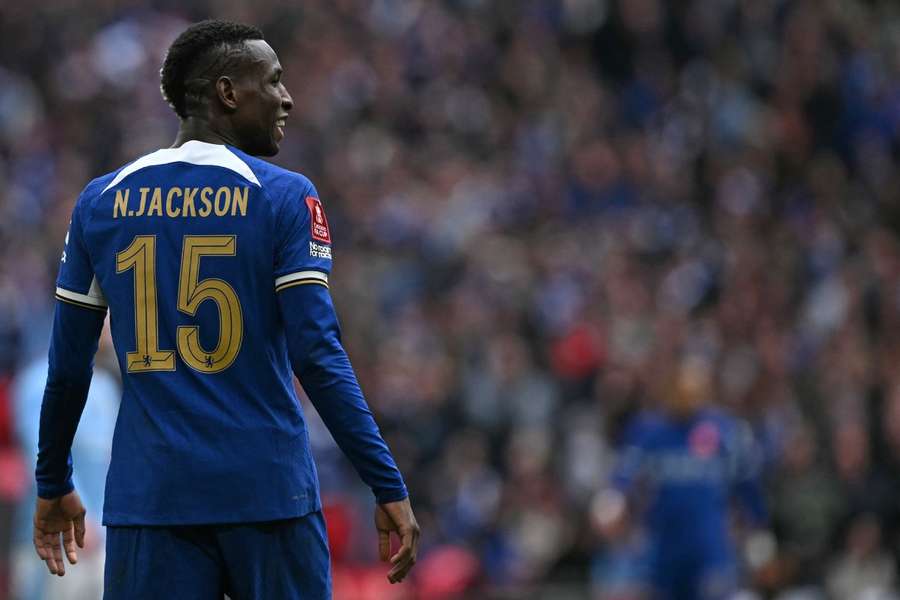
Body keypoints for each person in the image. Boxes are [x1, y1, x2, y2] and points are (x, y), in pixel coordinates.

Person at [31, 19, 419, 599]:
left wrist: (51, 479)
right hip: (268, 497)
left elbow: (67, 366)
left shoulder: (102, 200)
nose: (287, 97)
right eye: (274, 81)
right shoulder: (285, 196)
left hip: (151, 502)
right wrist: (385, 482)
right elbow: (317, 353)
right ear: (228, 93)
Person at [595, 356, 769, 600]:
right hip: (664, 546)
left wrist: (759, 523)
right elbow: (625, 472)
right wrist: (612, 498)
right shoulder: (648, 431)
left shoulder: (724, 431)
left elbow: (746, 483)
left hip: (710, 547)